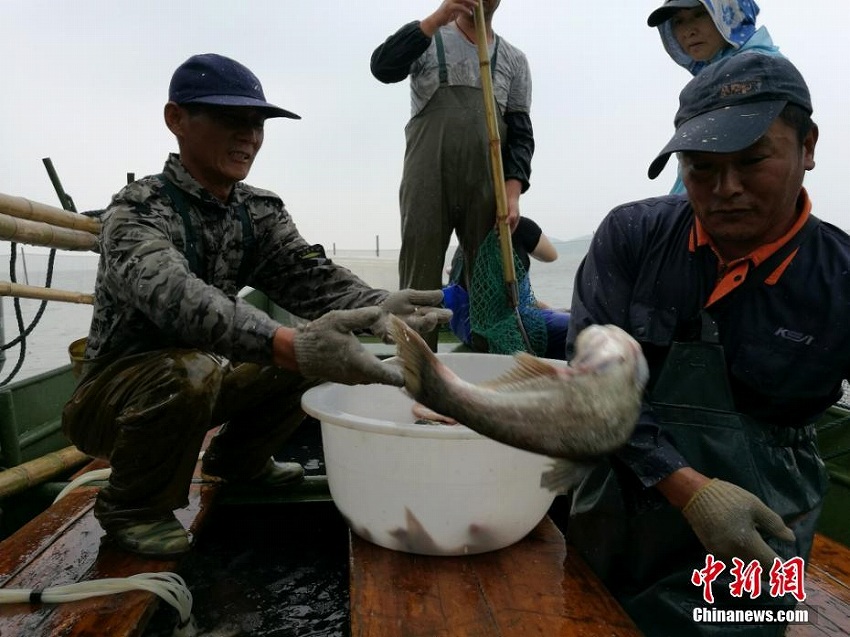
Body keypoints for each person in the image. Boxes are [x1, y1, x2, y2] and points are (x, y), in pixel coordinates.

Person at [61, 53, 450, 558]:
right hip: (112, 403)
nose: (249, 136)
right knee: (215, 366)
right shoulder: (136, 210)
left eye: (257, 123)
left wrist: (379, 306)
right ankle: (133, 509)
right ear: (175, 119)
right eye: (230, 119)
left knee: (320, 343)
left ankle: (239, 460)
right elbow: (178, 299)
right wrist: (289, 344)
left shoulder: (256, 212)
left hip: (202, 378)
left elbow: (311, 280)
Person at [565, 52, 841, 636]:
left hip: (759, 533)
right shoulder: (632, 236)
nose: (726, 189)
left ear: (808, 146)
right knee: (589, 619)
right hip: (622, 508)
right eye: (701, 167)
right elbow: (596, 391)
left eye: (752, 160)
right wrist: (688, 489)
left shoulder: (840, 279)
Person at [371, 0, 534, 350]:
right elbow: (382, 67)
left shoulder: (513, 60)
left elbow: (521, 134)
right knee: (420, 277)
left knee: (490, 283)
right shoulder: (429, 38)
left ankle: (487, 375)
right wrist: (437, 18)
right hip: (427, 179)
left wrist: (513, 190)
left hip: (488, 188)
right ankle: (416, 372)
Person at [647, 0, 782, 194]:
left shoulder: (755, 69)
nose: (688, 31)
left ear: (730, 11)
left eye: (700, 14)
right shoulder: (719, 73)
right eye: (678, 21)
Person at [443, 216, 569, 358]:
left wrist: (551, 309)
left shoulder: (466, 240)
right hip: (504, 331)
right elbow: (551, 255)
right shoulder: (519, 228)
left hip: (464, 329)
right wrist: (526, 229)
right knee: (580, 327)